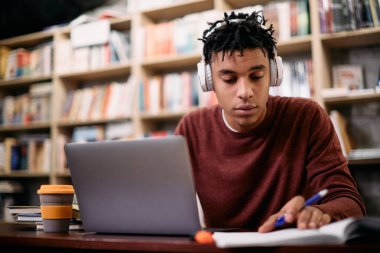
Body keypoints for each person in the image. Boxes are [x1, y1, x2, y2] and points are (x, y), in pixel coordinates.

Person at [174, 11, 366, 232]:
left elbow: (350, 202)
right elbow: (165, 203)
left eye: (256, 76)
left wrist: (321, 213)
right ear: (208, 81)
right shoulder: (192, 128)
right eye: (229, 79)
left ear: (274, 74)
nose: (245, 92)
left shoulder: (306, 117)